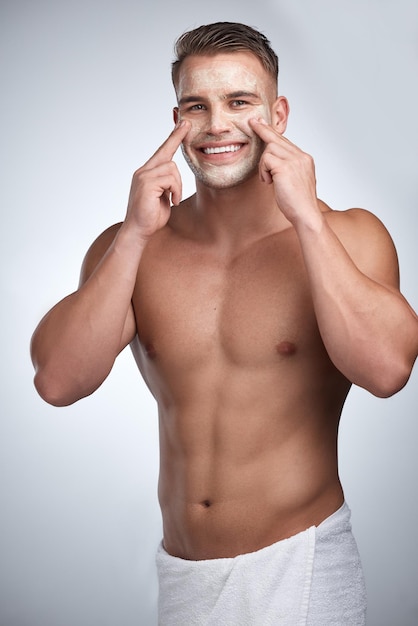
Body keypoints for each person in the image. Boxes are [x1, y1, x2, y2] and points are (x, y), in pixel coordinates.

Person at [31, 21, 418, 625]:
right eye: (197, 106)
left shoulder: (347, 234)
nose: (217, 125)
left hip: (303, 565)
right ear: (176, 117)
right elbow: (57, 381)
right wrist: (133, 234)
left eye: (240, 102)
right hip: (183, 577)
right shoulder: (134, 248)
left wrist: (307, 223)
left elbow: (388, 370)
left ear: (278, 113)